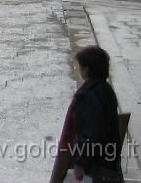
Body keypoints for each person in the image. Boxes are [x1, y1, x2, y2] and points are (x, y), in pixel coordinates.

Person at [58, 46, 123, 183]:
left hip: (96, 164)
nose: (78, 69)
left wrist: (80, 164)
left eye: (80, 66)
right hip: (108, 157)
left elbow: (90, 133)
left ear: (87, 69)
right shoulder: (106, 89)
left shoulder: (87, 96)